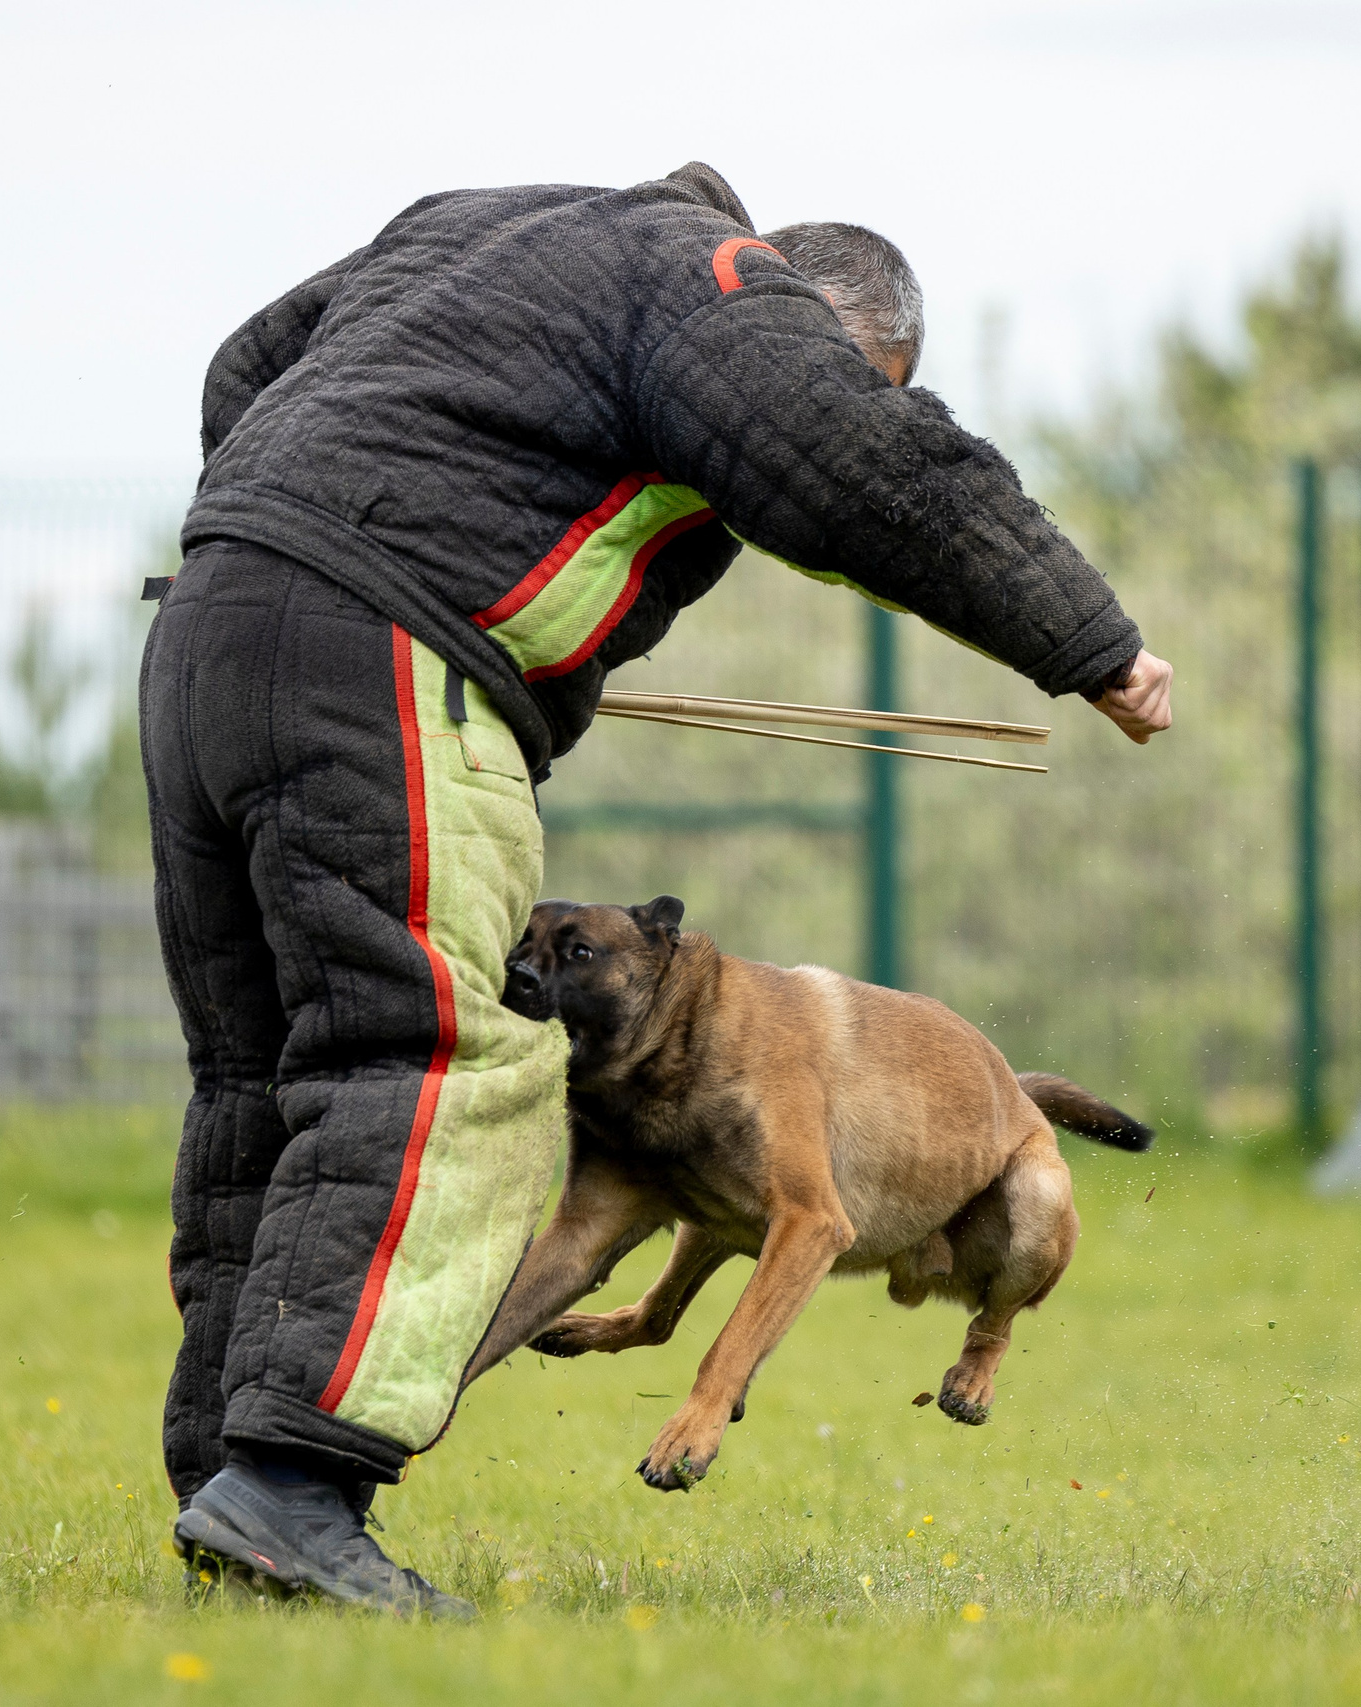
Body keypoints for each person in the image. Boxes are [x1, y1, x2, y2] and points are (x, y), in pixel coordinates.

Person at [145, 161, 1172, 1616]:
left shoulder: (496, 225)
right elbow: (864, 469)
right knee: (438, 1063)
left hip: (205, 637)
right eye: (860, 378)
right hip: (382, 670)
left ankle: (229, 1503)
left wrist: (276, 545)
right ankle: (295, 1493)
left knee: (266, 1083)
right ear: (839, 333)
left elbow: (252, 361)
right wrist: (1093, 642)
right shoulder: (730, 292)